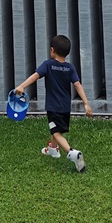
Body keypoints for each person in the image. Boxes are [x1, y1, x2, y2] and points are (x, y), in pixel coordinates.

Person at [15, 34, 93, 172]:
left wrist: (21, 86)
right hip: (65, 107)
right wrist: (86, 103)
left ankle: (72, 153)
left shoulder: (48, 65)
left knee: (56, 131)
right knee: (56, 128)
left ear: (52, 50)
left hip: (53, 107)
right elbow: (77, 85)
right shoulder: (70, 68)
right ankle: (52, 150)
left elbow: (35, 76)